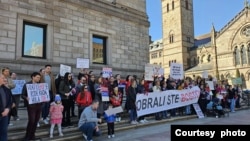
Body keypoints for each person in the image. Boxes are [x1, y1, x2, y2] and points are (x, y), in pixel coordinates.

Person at [21, 72, 42, 141]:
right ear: (33, 77)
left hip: (39, 105)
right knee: (31, 120)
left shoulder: (40, 85)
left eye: (39, 77)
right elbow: (22, 94)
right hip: (31, 106)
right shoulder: (27, 84)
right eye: (37, 77)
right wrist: (26, 98)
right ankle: (27, 136)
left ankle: (32, 135)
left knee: (36, 121)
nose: (39, 79)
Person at [0, 73, 12, 141]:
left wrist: (8, 109)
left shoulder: (6, 89)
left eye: (4, 78)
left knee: (4, 132)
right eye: (2, 78)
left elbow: (10, 101)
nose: (4, 79)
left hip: (5, 115)